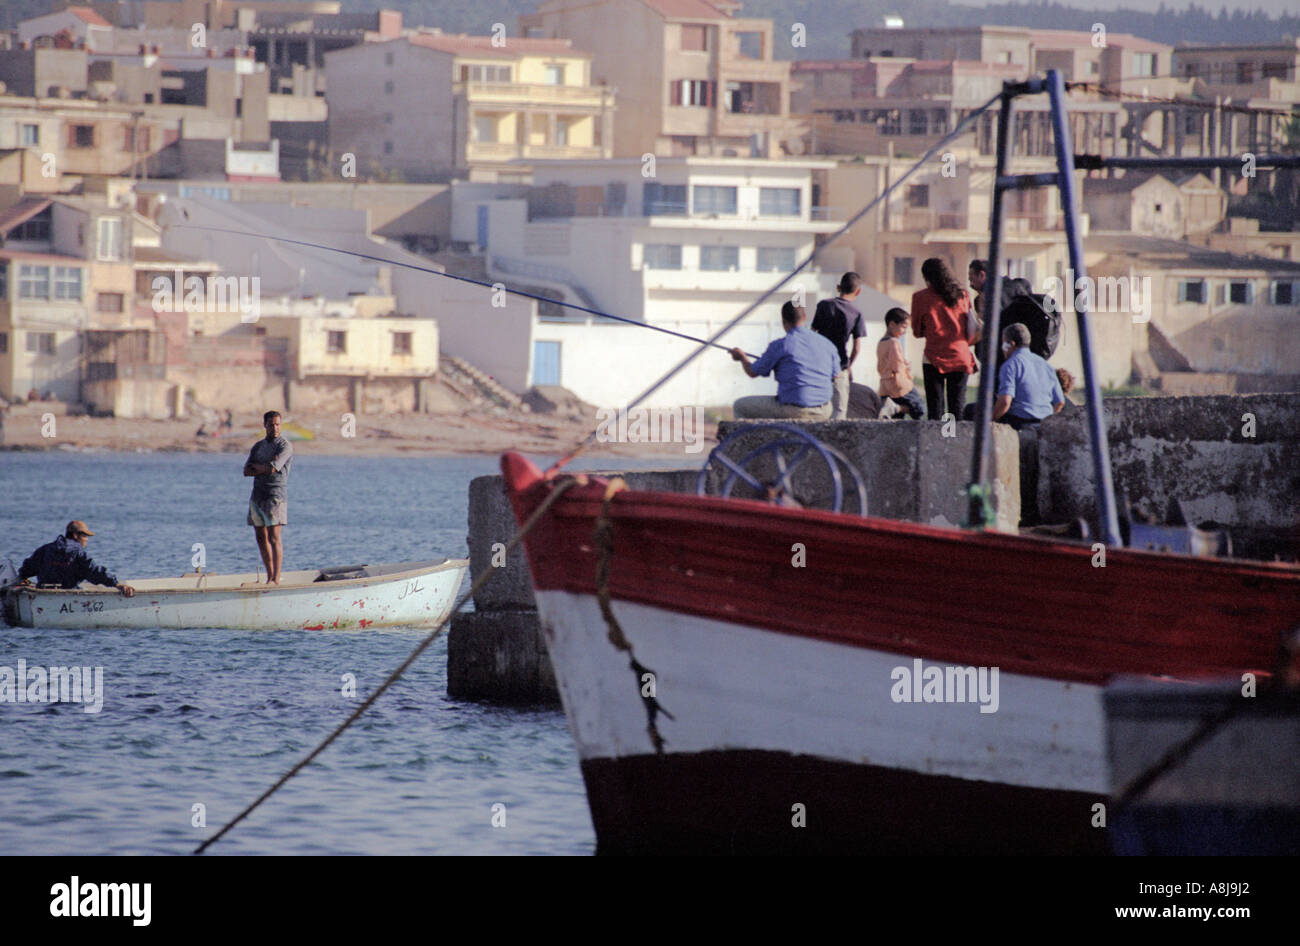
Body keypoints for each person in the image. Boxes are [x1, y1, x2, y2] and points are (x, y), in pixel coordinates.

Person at [730, 301, 840, 420]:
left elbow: (752, 372)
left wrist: (742, 357)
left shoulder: (780, 346)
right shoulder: (827, 344)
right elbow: (836, 375)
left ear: (783, 322)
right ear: (805, 317)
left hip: (795, 410)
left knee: (740, 406)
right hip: (824, 410)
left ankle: (748, 438)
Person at [912, 257, 980, 422]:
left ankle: (938, 444)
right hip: (960, 357)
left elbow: (917, 331)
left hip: (933, 357)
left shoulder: (920, 297)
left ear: (927, 277)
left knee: (935, 410)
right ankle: (955, 444)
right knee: (957, 410)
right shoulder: (963, 295)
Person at [17, 521, 135, 596]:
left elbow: (27, 568)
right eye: (84, 536)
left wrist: (22, 578)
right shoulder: (78, 552)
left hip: (41, 593)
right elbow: (94, 572)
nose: (86, 540)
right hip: (67, 594)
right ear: (75, 535)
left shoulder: (46, 549)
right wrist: (117, 585)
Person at [244, 410, 293, 584]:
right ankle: (269, 575)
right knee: (260, 536)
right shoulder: (258, 447)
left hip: (275, 495)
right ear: (265, 425)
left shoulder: (284, 446)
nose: (275, 428)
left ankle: (275, 578)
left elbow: (274, 467)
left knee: (274, 536)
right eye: (271, 424)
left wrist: (262, 467)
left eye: (278, 424)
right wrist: (263, 467)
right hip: (258, 494)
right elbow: (246, 470)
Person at [811, 272, 866, 420]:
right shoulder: (857, 313)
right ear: (858, 291)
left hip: (819, 366)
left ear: (838, 287)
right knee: (839, 412)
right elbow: (856, 348)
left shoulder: (823, 305)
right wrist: (848, 366)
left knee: (816, 409)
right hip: (840, 366)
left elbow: (812, 335)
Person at [994, 323, 1064, 430]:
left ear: (1011, 344)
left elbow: (1005, 401)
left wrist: (989, 419)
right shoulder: (1045, 365)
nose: (1002, 349)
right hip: (1044, 423)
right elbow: (1060, 402)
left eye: (1003, 344)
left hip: (1019, 422)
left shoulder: (1010, 365)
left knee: (971, 410)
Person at [876, 308, 925, 419]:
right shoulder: (894, 342)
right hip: (898, 383)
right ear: (892, 324)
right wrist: (906, 367)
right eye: (903, 327)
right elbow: (897, 365)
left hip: (886, 385)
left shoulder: (881, 342)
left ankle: (894, 408)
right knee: (919, 408)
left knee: (897, 419)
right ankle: (896, 407)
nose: (905, 331)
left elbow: (883, 364)